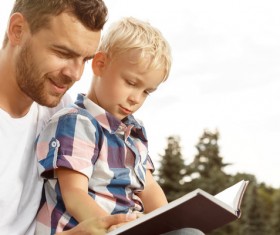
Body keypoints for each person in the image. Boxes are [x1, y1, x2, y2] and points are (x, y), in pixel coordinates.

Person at [35, 17, 205, 235]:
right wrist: (114, 229)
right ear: (100, 65)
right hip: (87, 229)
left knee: (188, 233)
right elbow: (75, 196)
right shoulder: (76, 122)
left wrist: (170, 222)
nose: (136, 98)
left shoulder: (134, 133)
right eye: (131, 83)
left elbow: (149, 188)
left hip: (128, 228)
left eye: (146, 92)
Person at [0, 1, 137, 234]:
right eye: (63, 53)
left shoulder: (61, 111)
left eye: (84, 59)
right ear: (17, 31)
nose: (75, 74)